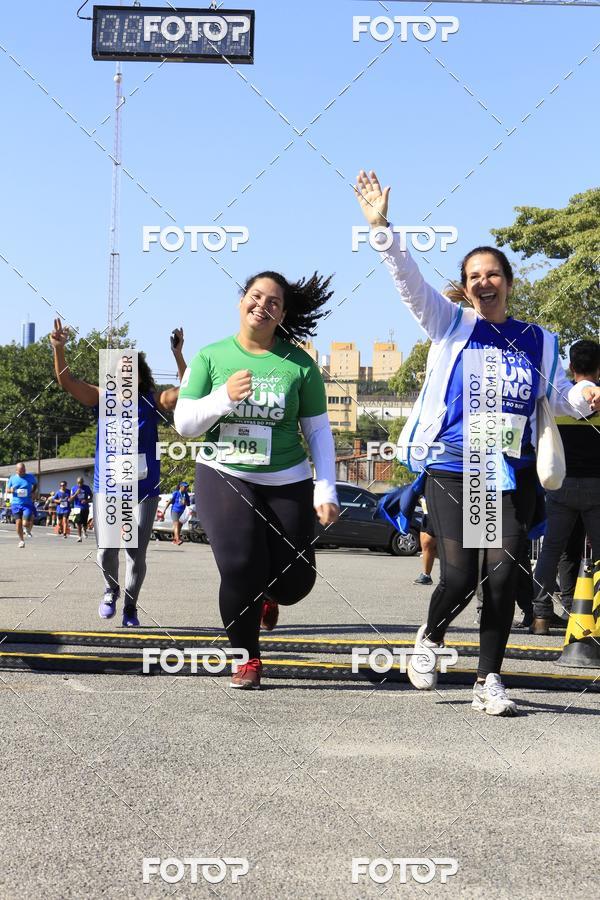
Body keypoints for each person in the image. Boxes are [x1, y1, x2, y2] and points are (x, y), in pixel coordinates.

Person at [355, 169, 600, 716]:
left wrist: (583, 398)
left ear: (509, 281)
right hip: (449, 465)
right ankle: (431, 636)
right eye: (474, 275)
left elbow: (554, 397)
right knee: (460, 576)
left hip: (502, 471)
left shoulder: (536, 340)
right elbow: (409, 282)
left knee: (502, 573)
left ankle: (489, 680)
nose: (484, 281)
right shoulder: (450, 324)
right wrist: (382, 229)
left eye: (493, 273)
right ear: (466, 285)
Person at [175, 270, 339, 690]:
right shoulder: (210, 357)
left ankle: (268, 595)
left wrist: (326, 487)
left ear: (283, 314)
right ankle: (246, 658)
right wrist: (223, 396)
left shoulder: (299, 364)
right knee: (240, 567)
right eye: (255, 296)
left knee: (296, 583)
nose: (261, 306)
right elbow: (184, 424)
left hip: (287, 477)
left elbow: (318, 431)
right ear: (240, 301)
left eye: (273, 302)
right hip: (224, 472)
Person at [51, 319, 187, 626]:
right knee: (105, 552)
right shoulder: (102, 399)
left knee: (135, 554)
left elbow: (186, 390)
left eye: (131, 371)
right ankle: (111, 589)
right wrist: (59, 349)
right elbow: (67, 381)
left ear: (140, 377)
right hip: (109, 489)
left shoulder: (150, 401)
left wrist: (178, 354)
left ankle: (130, 607)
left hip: (145, 489)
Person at [531, 339, 600, 634]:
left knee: (550, 552)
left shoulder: (557, 399)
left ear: (570, 367)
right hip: (597, 486)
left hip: (560, 484)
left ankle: (540, 616)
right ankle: (592, 616)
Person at [6, 462, 37, 548]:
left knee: (25, 523)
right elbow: (7, 489)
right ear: (16, 471)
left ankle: (27, 528)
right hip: (16, 504)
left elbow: (35, 484)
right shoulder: (12, 478)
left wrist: (33, 492)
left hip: (27, 503)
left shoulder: (30, 477)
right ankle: (21, 540)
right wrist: (11, 490)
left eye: (24, 470)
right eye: (20, 471)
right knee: (18, 523)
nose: (23, 472)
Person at [414, 495, 436, 585]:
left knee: (429, 542)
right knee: (425, 544)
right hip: (427, 510)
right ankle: (426, 576)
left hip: (442, 508)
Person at [163, 481, 191, 545]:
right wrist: (164, 510)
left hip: (181, 512)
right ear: (181, 487)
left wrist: (185, 502)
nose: (186, 488)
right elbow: (170, 501)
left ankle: (175, 539)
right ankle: (178, 540)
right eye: (185, 487)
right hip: (174, 511)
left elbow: (188, 504)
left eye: (187, 487)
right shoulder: (176, 493)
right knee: (176, 524)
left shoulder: (186, 494)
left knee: (179, 526)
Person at [70, 476, 93, 543]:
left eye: (81, 483)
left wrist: (87, 500)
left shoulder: (87, 487)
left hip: (85, 507)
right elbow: (70, 499)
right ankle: (79, 537)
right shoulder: (73, 488)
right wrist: (76, 494)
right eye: (78, 483)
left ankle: (84, 531)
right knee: (78, 523)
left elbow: (91, 496)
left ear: (83, 482)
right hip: (77, 507)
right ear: (77, 482)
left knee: (85, 523)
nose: (80, 484)